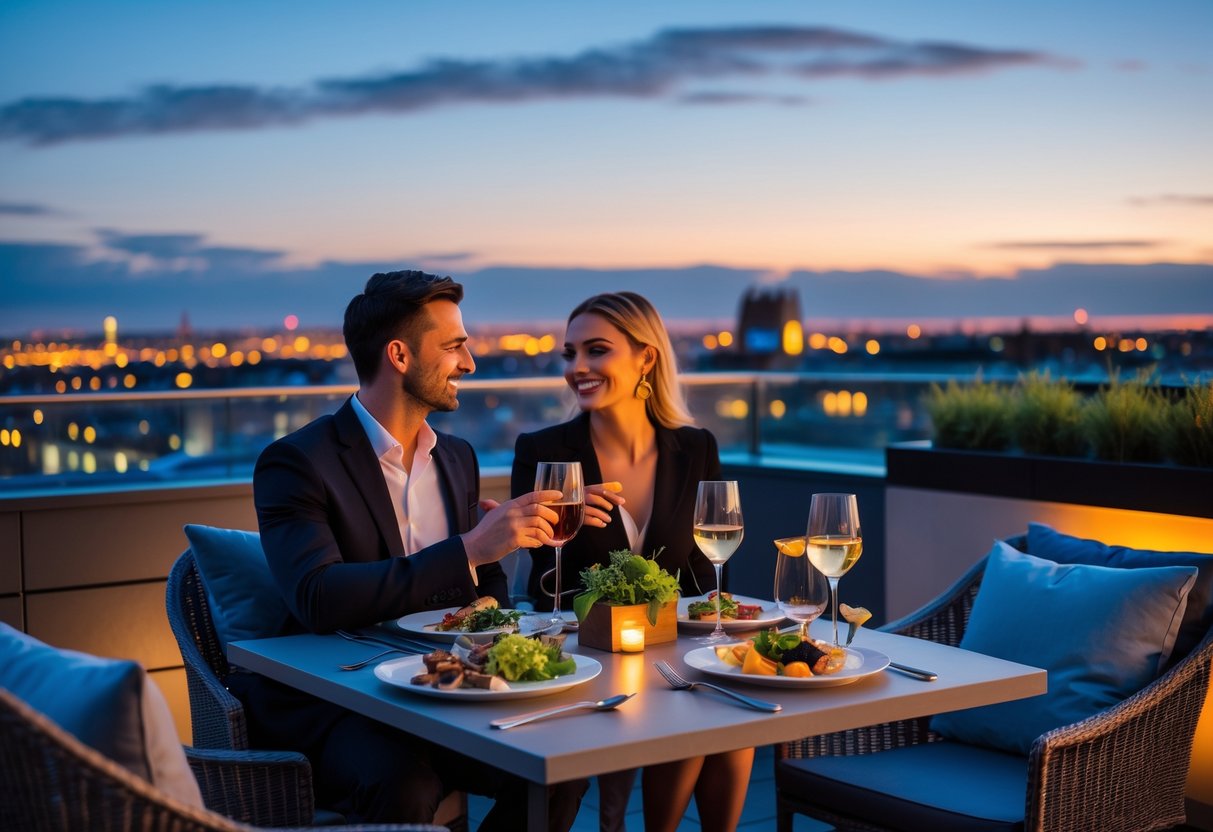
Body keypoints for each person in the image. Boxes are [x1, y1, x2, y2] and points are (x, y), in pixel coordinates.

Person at [248, 269, 587, 829]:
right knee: (407, 783)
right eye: (454, 346)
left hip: (442, 686)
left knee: (561, 762)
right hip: (342, 701)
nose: (469, 363)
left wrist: (494, 565)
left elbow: (486, 591)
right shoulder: (298, 462)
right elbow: (316, 596)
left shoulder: (457, 458)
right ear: (400, 355)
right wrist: (469, 548)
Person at [510, 292, 753, 832]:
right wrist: (567, 526)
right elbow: (545, 583)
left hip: (670, 649)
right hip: (585, 651)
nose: (578, 367)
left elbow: (707, 583)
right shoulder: (544, 452)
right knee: (691, 707)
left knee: (728, 712)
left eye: (596, 350)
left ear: (646, 358)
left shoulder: (695, 448)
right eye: (570, 353)